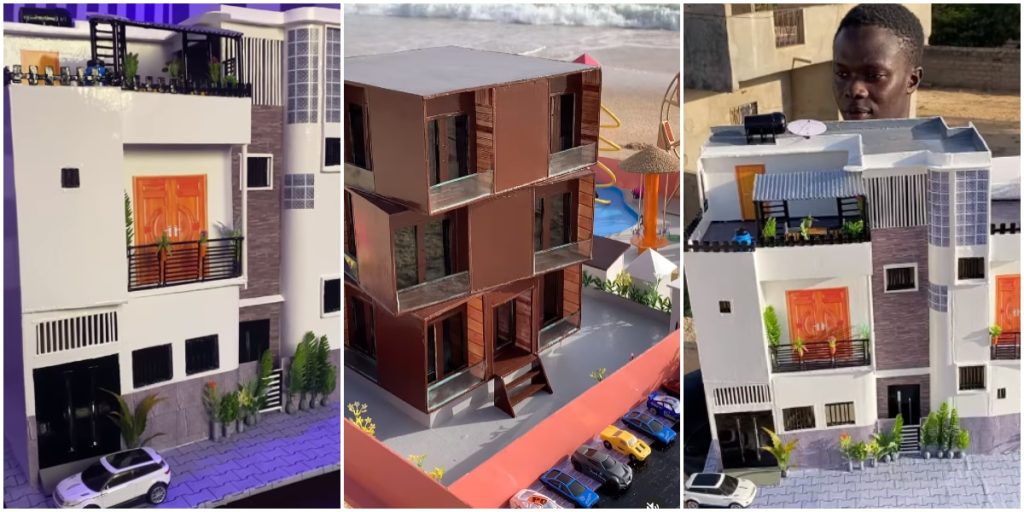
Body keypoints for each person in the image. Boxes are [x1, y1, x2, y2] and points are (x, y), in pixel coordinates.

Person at [832, 4, 924, 120]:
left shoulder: (939, 132)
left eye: (873, 76)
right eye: (842, 74)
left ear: (912, 81)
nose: (854, 90)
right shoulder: (814, 131)